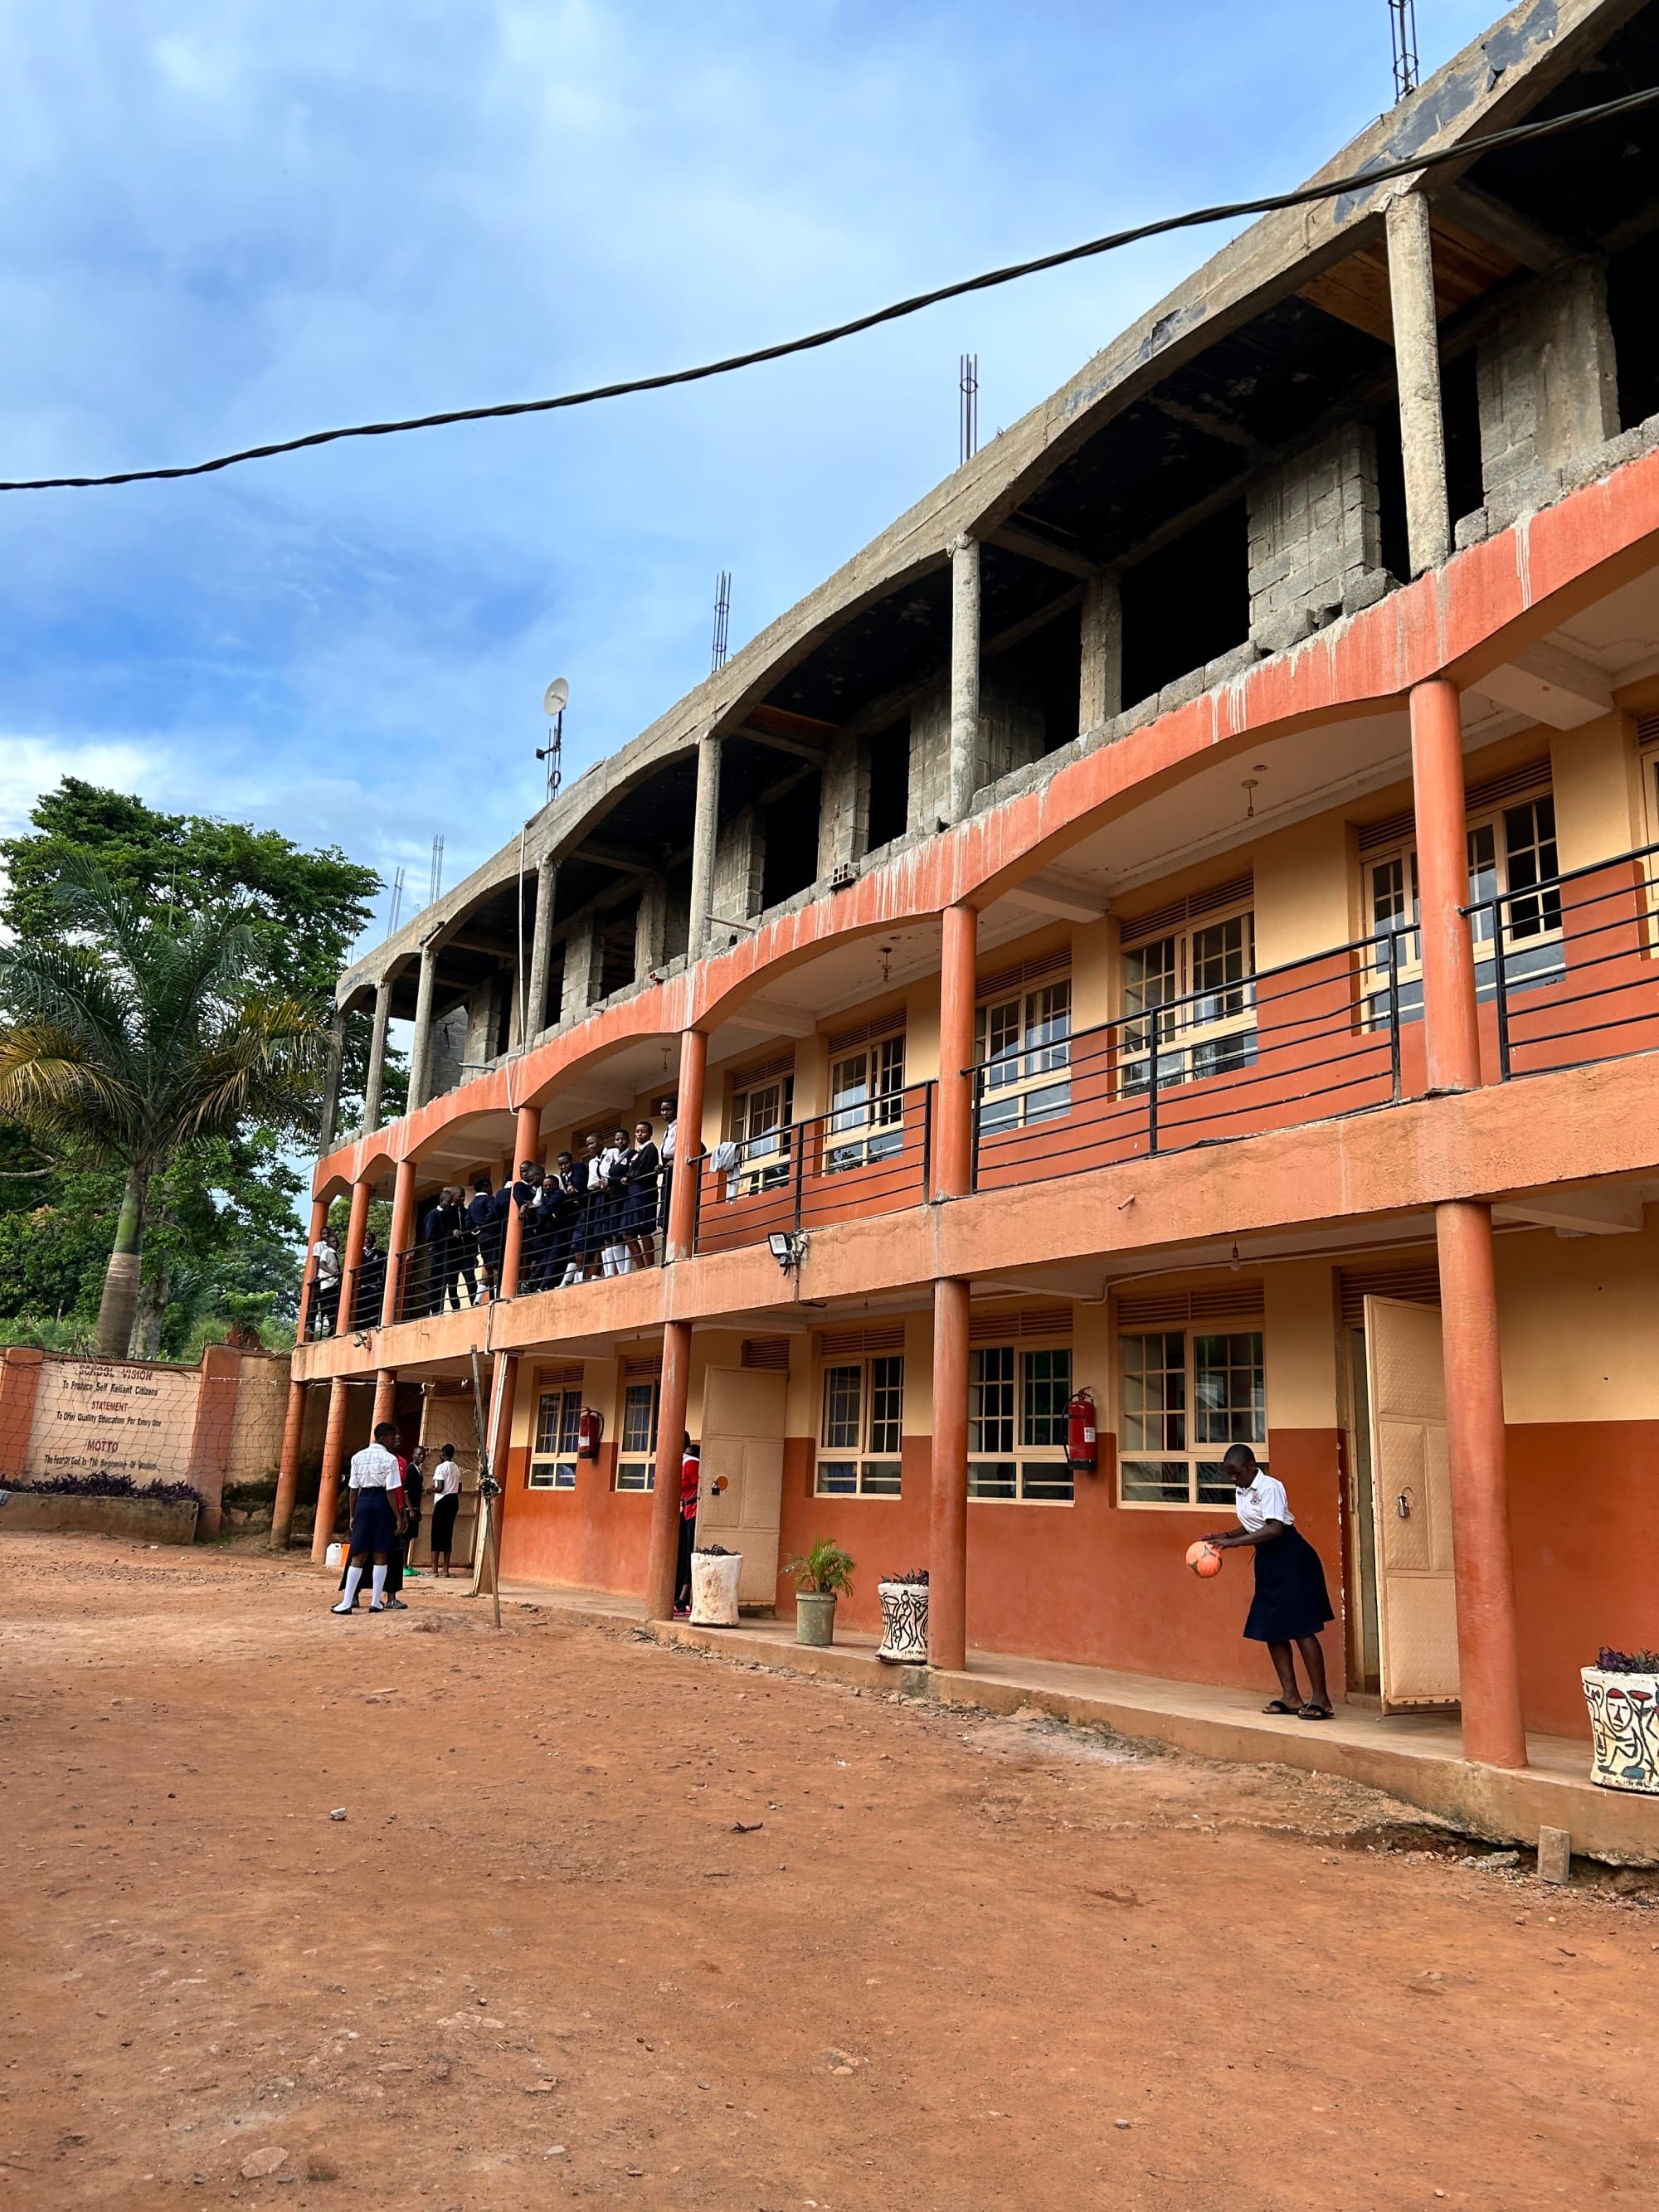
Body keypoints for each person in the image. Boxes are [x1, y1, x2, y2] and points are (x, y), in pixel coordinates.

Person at [1202, 1443, 1335, 1720]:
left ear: (1252, 1466)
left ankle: (1321, 1699)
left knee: (1302, 1628)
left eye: (1237, 1473)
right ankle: (1291, 1696)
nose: (1233, 1480)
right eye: (1230, 1475)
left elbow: (1275, 1528)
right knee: (1271, 1628)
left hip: (1291, 1558)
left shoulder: (1270, 1487)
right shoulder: (1242, 1490)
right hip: (1268, 1562)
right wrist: (1224, 1535)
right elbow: (1254, 1524)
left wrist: (1232, 1544)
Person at [331, 1422, 406, 1616]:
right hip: (382, 1503)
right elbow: (391, 1491)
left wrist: (352, 1514)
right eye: (392, 1438)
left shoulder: (358, 1457)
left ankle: (347, 1602)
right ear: (382, 1438)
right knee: (381, 1551)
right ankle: (375, 1602)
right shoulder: (390, 1460)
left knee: (359, 1552)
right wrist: (398, 1517)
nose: (394, 1441)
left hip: (364, 1502)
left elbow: (353, 1490)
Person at [625, 1119, 661, 1271]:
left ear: (650, 1133)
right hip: (633, 1195)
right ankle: (641, 1266)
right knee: (628, 1233)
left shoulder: (650, 1149)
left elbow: (643, 1170)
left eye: (643, 1131)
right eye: (637, 1131)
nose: (640, 1134)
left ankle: (649, 1265)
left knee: (643, 1229)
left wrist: (629, 1176)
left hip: (643, 1193)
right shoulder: (639, 1151)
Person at [674, 1434, 701, 1618]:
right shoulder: (678, 1462)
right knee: (681, 1554)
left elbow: (702, 1488)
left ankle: (683, 1599)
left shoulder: (690, 1463)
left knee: (689, 1554)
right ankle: (677, 1597)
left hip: (694, 1513)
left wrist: (687, 1501)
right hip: (684, 1513)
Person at [428, 1442, 462, 1577]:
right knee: (448, 1534)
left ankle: (434, 1569)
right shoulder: (456, 1468)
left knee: (436, 1533)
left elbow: (440, 1487)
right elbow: (459, 1489)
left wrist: (431, 1490)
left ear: (443, 1454)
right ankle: (445, 1569)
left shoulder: (441, 1468)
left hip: (442, 1501)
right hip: (453, 1501)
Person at [467, 1173, 500, 1300]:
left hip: (481, 1239)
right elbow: (492, 1214)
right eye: (490, 1187)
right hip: (492, 1235)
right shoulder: (489, 1200)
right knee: (496, 1266)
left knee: (488, 1268)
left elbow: (468, 1222)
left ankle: (477, 1299)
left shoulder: (471, 1204)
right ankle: (497, 1295)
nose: (491, 1190)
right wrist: (484, 1226)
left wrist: (476, 1229)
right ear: (485, 1187)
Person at [309, 1227, 341, 1338]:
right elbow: (320, 1263)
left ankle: (332, 1328)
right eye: (324, 1233)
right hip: (326, 1281)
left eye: (336, 1241)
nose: (326, 1235)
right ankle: (311, 1325)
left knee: (332, 1306)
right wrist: (316, 1276)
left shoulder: (335, 1252)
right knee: (321, 1303)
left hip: (334, 1282)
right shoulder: (323, 1248)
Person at [656, 1094, 678, 1243]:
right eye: (662, 1110)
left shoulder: (681, 1126)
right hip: (666, 1169)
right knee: (665, 1205)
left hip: (676, 1169)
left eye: (668, 1110)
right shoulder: (667, 1130)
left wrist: (676, 1160)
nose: (664, 1113)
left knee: (673, 1204)